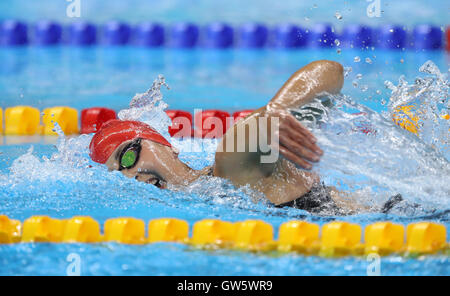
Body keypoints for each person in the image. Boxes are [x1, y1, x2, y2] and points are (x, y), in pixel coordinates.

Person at [89, 60, 401, 215]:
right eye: (118, 174)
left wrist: (278, 111)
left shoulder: (232, 164)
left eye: (128, 156)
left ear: (166, 146)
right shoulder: (202, 205)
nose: (130, 174)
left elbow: (329, 72)